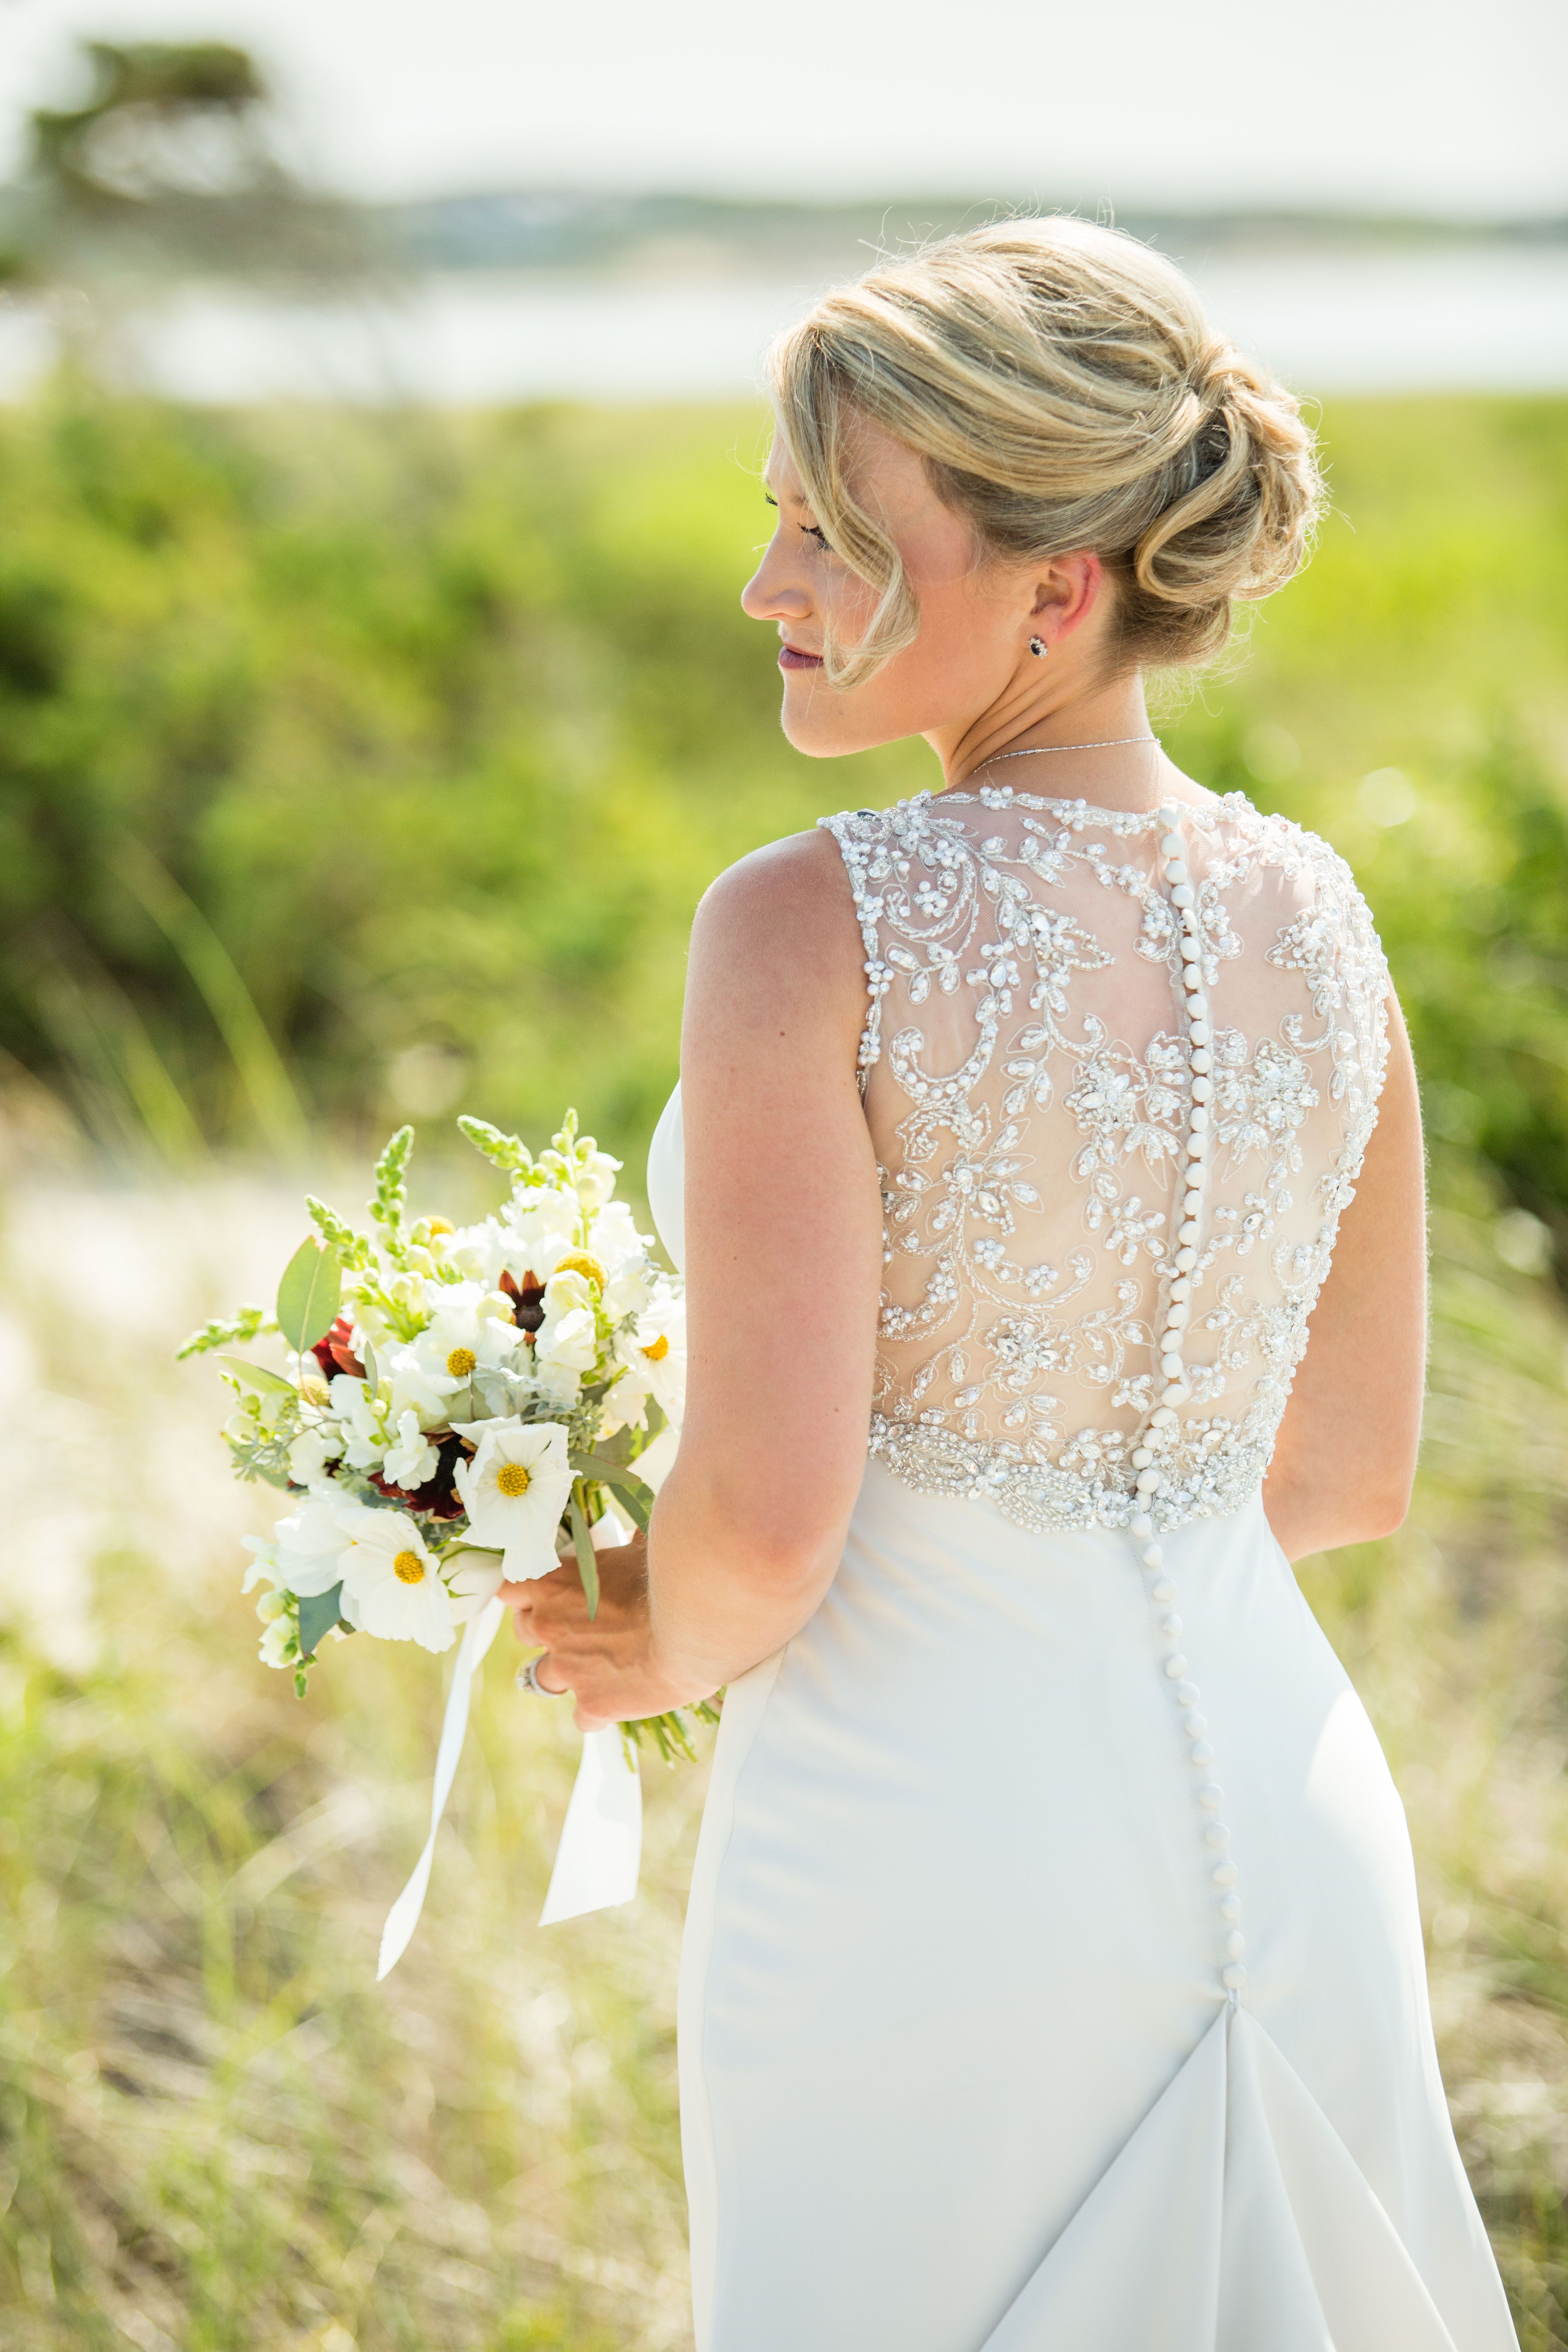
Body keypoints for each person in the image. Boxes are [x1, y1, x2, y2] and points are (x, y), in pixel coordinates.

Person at [499, 218, 1519, 2350]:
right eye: (773, 522)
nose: (768, 588)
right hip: (1290, 1795)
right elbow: (1343, 1474)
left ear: (1063, 587)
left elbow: (772, 1529)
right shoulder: (1328, 925)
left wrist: (630, 1633)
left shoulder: (805, 926)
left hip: (922, 1842)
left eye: (832, 535)